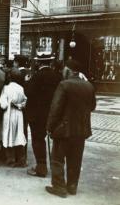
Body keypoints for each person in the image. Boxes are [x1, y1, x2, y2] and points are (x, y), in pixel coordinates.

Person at [45, 59, 96, 198]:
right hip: (81, 130)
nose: (62, 72)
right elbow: (92, 106)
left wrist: (49, 127)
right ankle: (72, 186)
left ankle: (59, 186)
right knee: (76, 159)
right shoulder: (89, 86)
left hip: (63, 130)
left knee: (57, 158)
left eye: (63, 69)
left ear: (68, 70)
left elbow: (55, 109)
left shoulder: (64, 85)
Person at [26, 54, 62, 177]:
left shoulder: (36, 76)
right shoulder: (57, 76)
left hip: (37, 115)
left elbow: (29, 93)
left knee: (38, 140)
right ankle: (55, 168)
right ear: (50, 63)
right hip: (52, 114)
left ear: (39, 63)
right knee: (54, 141)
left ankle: (41, 167)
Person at [0, 69, 27, 167]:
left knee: (9, 134)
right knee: (19, 135)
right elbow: (24, 101)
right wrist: (18, 105)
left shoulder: (5, 88)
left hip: (9, 114)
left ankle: (10, 159)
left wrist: (6, 104)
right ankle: (21, 160)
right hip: (19, 115)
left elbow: (3, 105)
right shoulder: (21, 88)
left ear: (9, 77)